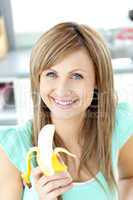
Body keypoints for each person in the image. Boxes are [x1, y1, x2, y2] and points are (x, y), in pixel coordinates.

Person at [0, 22, 133, 200]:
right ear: (38, 79)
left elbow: (129, 177)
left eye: (76, 76)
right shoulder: (14, 147)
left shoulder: (117, 124)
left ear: (97, 81)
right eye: (51, 74)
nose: (62, 90)